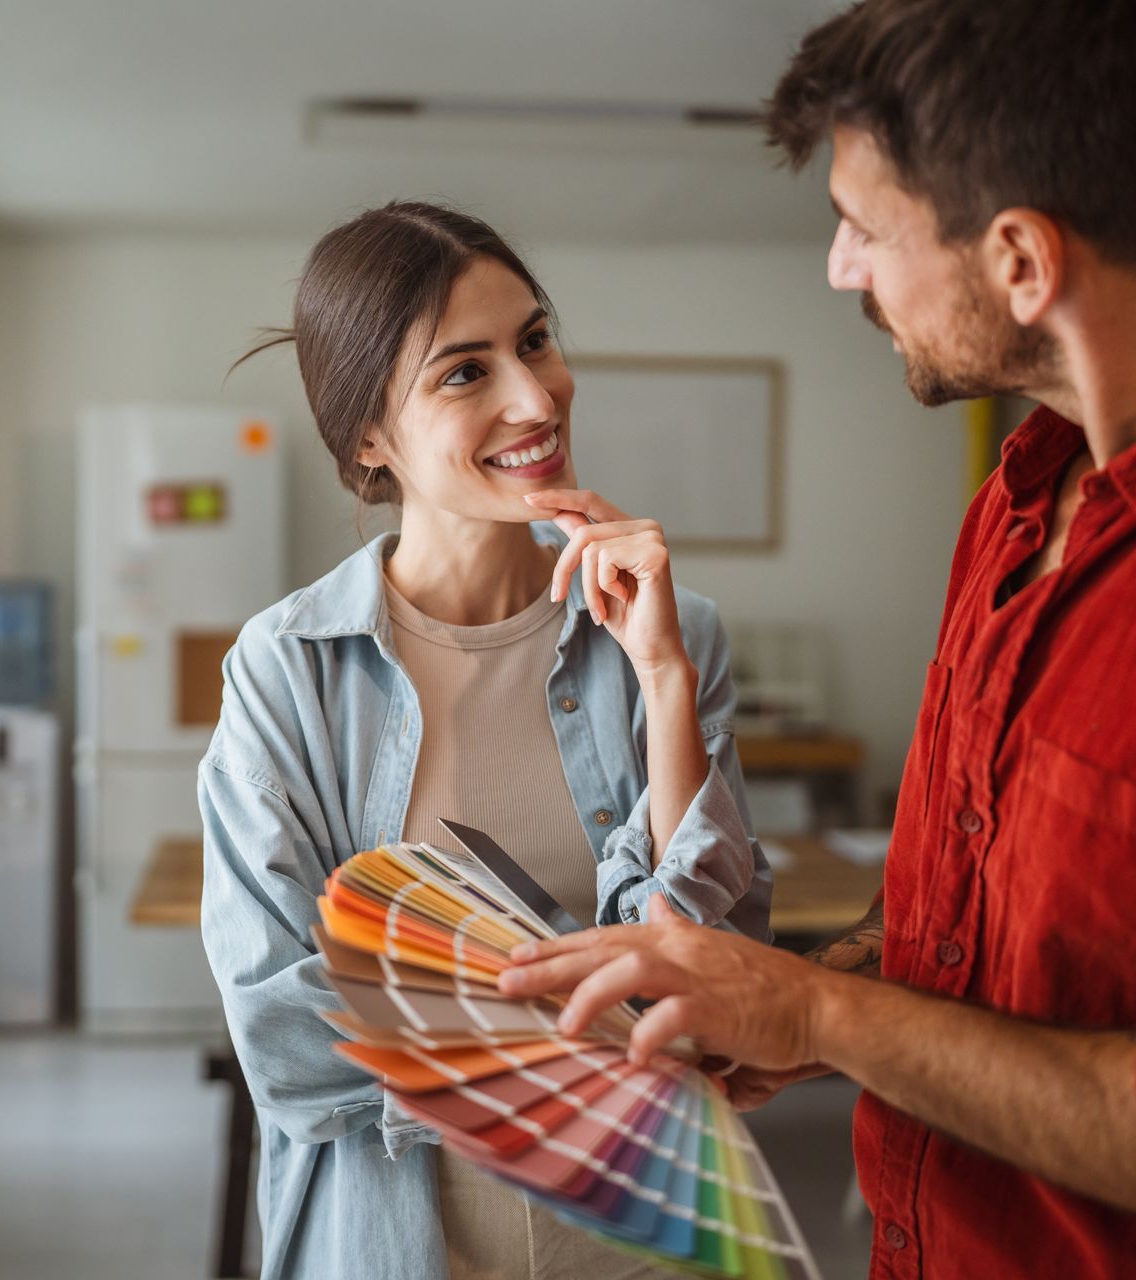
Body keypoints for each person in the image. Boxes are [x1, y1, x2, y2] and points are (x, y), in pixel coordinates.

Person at [501, 2, 1136, 1277]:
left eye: (864, 226)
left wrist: (820, 1006)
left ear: (1022, 260)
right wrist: (795, 1002)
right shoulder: (1024, 499)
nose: (840, 268)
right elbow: (970, 912)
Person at [197, 200, 772, 1280]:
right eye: (466, 371)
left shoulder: (671, 630)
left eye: (536, 339)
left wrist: (662, 679)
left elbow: (725, 975)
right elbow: (288, 1037)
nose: (535, 395)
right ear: (369, 436)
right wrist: (598, 1003)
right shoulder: (286, 672)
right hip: (401, 1237)